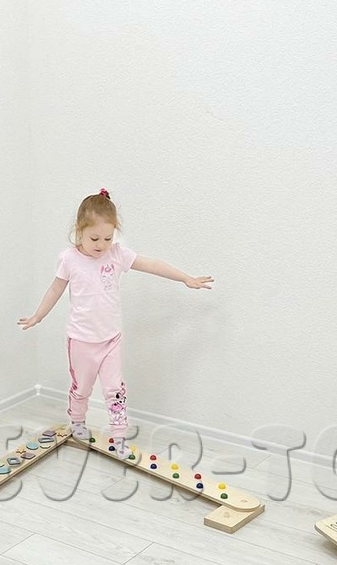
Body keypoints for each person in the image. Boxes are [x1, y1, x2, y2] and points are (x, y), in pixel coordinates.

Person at [18, 189, 212, 456]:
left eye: (108, 238)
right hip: (81, 341)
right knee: (82, 388)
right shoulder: (69, 259)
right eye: (94, 238)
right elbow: (55, 289)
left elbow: (152, 264)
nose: (101, 244)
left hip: (111, 339)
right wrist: (38, 315)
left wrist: (185, 278)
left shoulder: (117, 255)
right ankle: (77, 421)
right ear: (79, 231)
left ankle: (119, 436)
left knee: (115, 389)